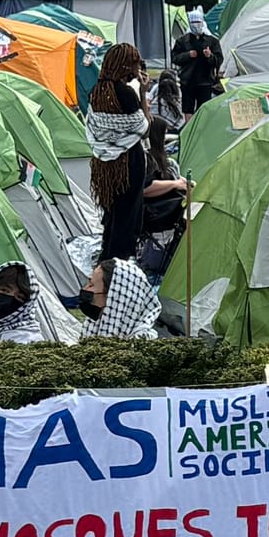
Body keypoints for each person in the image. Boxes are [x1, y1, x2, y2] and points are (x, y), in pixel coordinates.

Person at [88, 45, 153, 261]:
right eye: (135, 63)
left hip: (104, 163)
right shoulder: (125, 93)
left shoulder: (96, 91)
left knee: (112, 212)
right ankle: (119, 262)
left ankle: (106, 258)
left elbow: (97, 127)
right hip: (127, 162)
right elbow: (144, 129)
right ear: (125, 65)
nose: (138, 67)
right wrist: (143, 94)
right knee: (128, 215)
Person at [79, 258, 162, 340]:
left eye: (91, 285)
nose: (86, 289)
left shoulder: (141, 343)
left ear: (113, 297)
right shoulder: (94, 326)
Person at [171, 8, 224, 118]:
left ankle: (201, 132)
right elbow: (175, 58)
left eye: (198, 22)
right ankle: (189, 131)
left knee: (204, 109)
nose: (196, 25)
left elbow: (219, 59)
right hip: (187, 80)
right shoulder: (182, 41)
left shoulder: (212, 41)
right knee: (187, 109)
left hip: (205, 81)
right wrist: (188, 55)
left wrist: (210, 56)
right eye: (193, 23)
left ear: (203, 22)